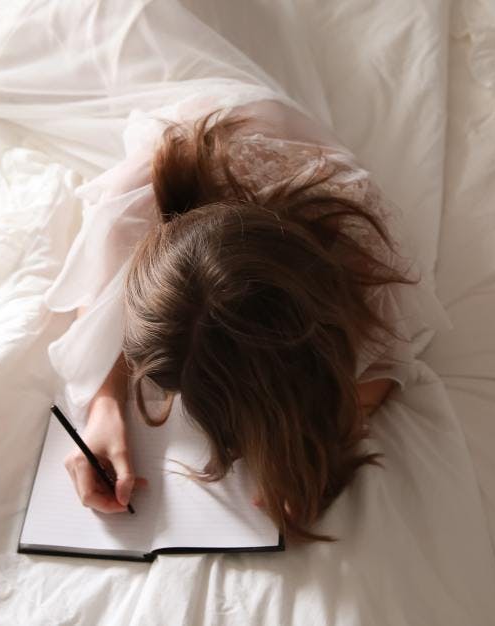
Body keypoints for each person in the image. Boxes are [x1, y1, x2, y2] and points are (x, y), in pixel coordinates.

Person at [52, 98, 426, 542]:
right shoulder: (137, 204)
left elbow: (390, 358)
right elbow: (92, 287)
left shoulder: (363, 247)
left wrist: (323, 442)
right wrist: (104, 407)